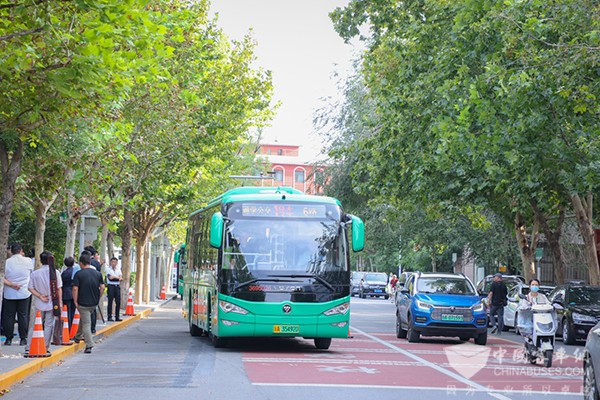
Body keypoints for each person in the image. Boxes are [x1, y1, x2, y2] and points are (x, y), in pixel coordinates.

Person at [26, 251, 62, 354]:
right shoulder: (56, 273)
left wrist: (40, 296)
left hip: (39, 303)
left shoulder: (35, 273)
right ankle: (45, 347)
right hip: (52, 302)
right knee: (48, 325)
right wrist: (59, 302)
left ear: (41, 261)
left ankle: (29, 346)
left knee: (34, 325)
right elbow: (59, 289)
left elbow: (30, 288)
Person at [72, 252, 105, 354]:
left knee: (86, 323)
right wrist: (98, 297)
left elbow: (75, 289)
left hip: (83, 302)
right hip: (93, 303)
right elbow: (102, 287)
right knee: (84, 319)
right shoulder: (97, 274)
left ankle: (89, 344)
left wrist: (75, 301)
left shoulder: (79, 274)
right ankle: (77, 337)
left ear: (81, 263)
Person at [2, 243, 34, 346]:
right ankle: (23, 338)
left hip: (9, 293)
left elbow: (2, 277)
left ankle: (8, 338)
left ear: (11, 251)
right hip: (24, 292)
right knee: (23, 315)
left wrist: (11, 285)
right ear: (21, 250)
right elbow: (31, 274)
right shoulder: (28, 261)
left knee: (9, 316)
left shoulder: (6, 262)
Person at [83, 247, 102, 333]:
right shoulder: (96, 264)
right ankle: (93, 327)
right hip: (95, 288)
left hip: (84, 289)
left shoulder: (84, 265)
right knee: (93, 308)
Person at [60, 256, 77, 328]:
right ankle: (73, 328)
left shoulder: (64, 273)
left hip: (65, 293)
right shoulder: (75, 272)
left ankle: (68, 327)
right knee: (73, 311)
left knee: (67, 312)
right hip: (74, 293)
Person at [105, 257, 122, 322]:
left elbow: (120, 278)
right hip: (111, 286)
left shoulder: (118, 269)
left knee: (118, 302)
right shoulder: (108, 269)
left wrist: (115, 277)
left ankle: (117, 316)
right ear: (110, 262)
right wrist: (116, 277)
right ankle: (109, 316)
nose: (114, 263)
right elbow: (110, 278)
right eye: (112, 262)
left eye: (115, 262)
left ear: (117, 263)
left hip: (117, 286)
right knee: (110, 302)